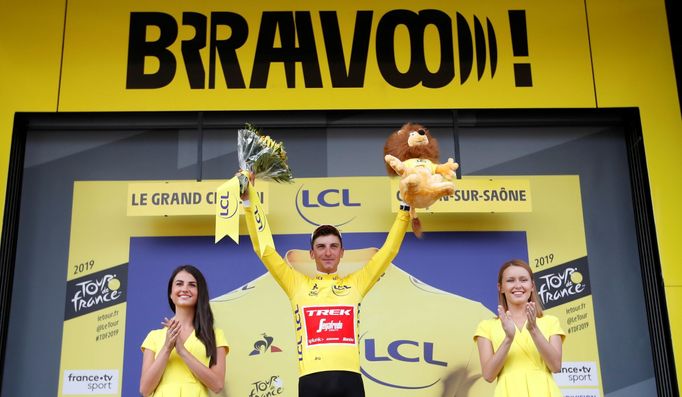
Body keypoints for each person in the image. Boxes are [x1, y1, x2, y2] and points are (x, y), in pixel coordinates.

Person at [240, 171, 411, 397]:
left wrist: (405, 208)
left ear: (342, 253)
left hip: (350, 380)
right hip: (312, 381)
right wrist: (248, 202)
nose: (328, 252)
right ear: (311, 254)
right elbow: (265, 251)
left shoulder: (356, 283)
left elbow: (388, 251)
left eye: (333, 246)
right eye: (321, 247)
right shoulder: (296, 284)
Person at [474, 259, 565, 397]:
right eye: (510, 280)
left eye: (523, 280)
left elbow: (556, 366)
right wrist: (508, 338)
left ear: (532, 285)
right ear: (501, 287)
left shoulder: (551, 322)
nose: (518, 285)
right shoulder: (486, 327)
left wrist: (534, 329)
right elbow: (488, 375)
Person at [139, 265, 229, 397]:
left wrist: (182, 351)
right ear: (171, 293)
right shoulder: (154, 337)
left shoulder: (214, 335)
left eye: (192, 285)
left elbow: (217, 385)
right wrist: (167, 348)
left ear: (200, 293)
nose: (185, 289)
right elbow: (145, 389)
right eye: (179, 284)